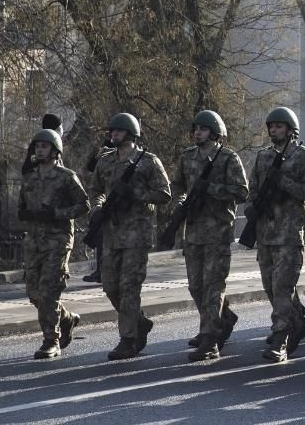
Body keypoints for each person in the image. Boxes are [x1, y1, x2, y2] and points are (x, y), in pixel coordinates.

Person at [86, 113, 172, 360]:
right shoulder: (105, 162)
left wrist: (136, 194)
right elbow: (95, 190)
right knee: (110, 285)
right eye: (111, 131)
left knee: (129, 287)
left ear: (131, 134)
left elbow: (164, 193)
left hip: (137, 235)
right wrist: (99, 207)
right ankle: (140, 322)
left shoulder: (148, 162)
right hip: (112, 234)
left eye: (118, 131)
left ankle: (128, 339)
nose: (113, 135)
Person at [171, 109, 248, 361]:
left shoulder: (227, 158)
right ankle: (222, 319)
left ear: (215, 133)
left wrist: (212, 189)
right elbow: (178, 185)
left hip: (217, 231)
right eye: (195, 129)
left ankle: (210, 339)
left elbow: (241, 191)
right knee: (196, 286)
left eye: (202, 129)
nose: (197, 133)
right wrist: (182, 201)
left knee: (213, 286)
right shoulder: (187, 157)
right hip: (193, 231)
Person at [247, 106, 305, 363]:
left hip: (289, 234)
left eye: (278, 126)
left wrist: (284, 182)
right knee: (270, 287)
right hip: (265, 234)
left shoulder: (303, 156)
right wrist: (253, 205)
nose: (273, 130)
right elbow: (253, 188)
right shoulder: (263, 157)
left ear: (290, 130)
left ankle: (281, 340)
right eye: (271, 127)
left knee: (281, 288)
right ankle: (296, 321)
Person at [18, 128, 89, 359]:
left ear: (55, 150)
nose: (40, 150)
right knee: (34, 293)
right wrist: (25, 214)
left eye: (44, 146)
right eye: (37, 146)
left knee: (49, 291)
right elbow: (22, 207)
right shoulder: (29, 178)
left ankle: (51, 340)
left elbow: (83, 205)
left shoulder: (66, 177)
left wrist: (57, 213)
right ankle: (67, 319)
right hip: (34, 242)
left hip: (57, 241)